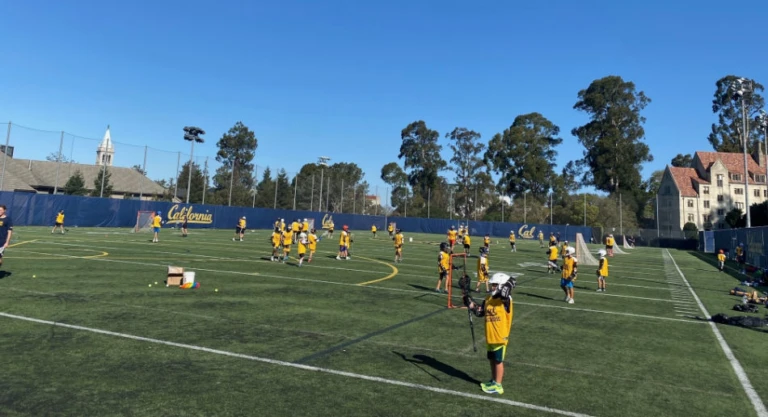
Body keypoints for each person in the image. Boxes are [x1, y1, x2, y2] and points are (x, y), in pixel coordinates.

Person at [466, 272, 515, 395]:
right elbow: (480, 312)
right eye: (492, 284)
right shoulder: (488, 298)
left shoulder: (505, 300)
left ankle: (498, 385)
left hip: (500, 336)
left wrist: (505, 285)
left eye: (495, 285)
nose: (492, 287)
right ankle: (493, 381)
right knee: (492, 359)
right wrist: (469, 303)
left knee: (498, 360)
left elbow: (511, 284)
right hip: (490, 335)